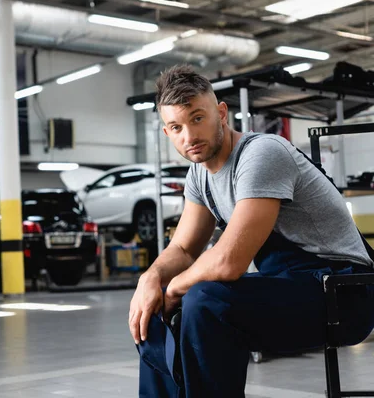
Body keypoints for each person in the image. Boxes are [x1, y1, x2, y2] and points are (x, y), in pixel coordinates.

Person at [128, 64, 374, 398]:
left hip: (345, 291)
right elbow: (184, 249)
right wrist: (151, 280)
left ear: (221, 113)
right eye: (176, 127)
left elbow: (230, 261)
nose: (189, 137)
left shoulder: (261, 154)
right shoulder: (200, 175)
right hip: (295, 286)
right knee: (152, 311)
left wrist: (172, 290)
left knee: (205, 301)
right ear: (166, 131)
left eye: (198, 118)